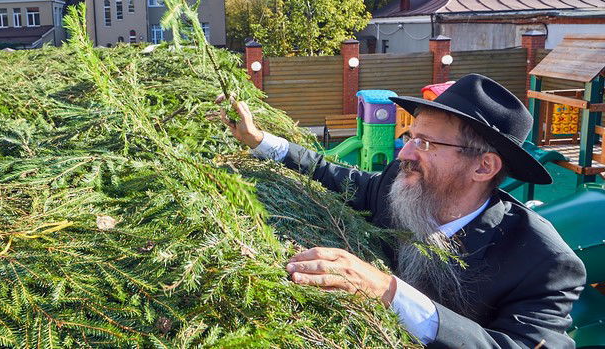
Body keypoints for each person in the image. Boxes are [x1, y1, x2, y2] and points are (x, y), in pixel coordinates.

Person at [218, 73, 585, 348]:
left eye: (425, 143)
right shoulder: (401, 184)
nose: (404, 154)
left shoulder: (545, 264)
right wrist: (262, 142)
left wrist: (387, 290)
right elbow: (336, 175)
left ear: (483, 167)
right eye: (411, 138)